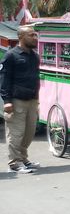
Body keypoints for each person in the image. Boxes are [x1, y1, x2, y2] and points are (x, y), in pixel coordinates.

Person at [1, 26, 41, 174]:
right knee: (15, 134)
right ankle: (15, 163)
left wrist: (37, 100)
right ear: (21, 37)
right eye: (31, 35)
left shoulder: (34, 56)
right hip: (16, 101)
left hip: (32, 100)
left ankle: (23, 159)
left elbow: (35, 79)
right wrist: (7, 101)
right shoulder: (11, 56)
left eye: (35, 35)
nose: (35, 38)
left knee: (28, 133)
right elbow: (4, 79)